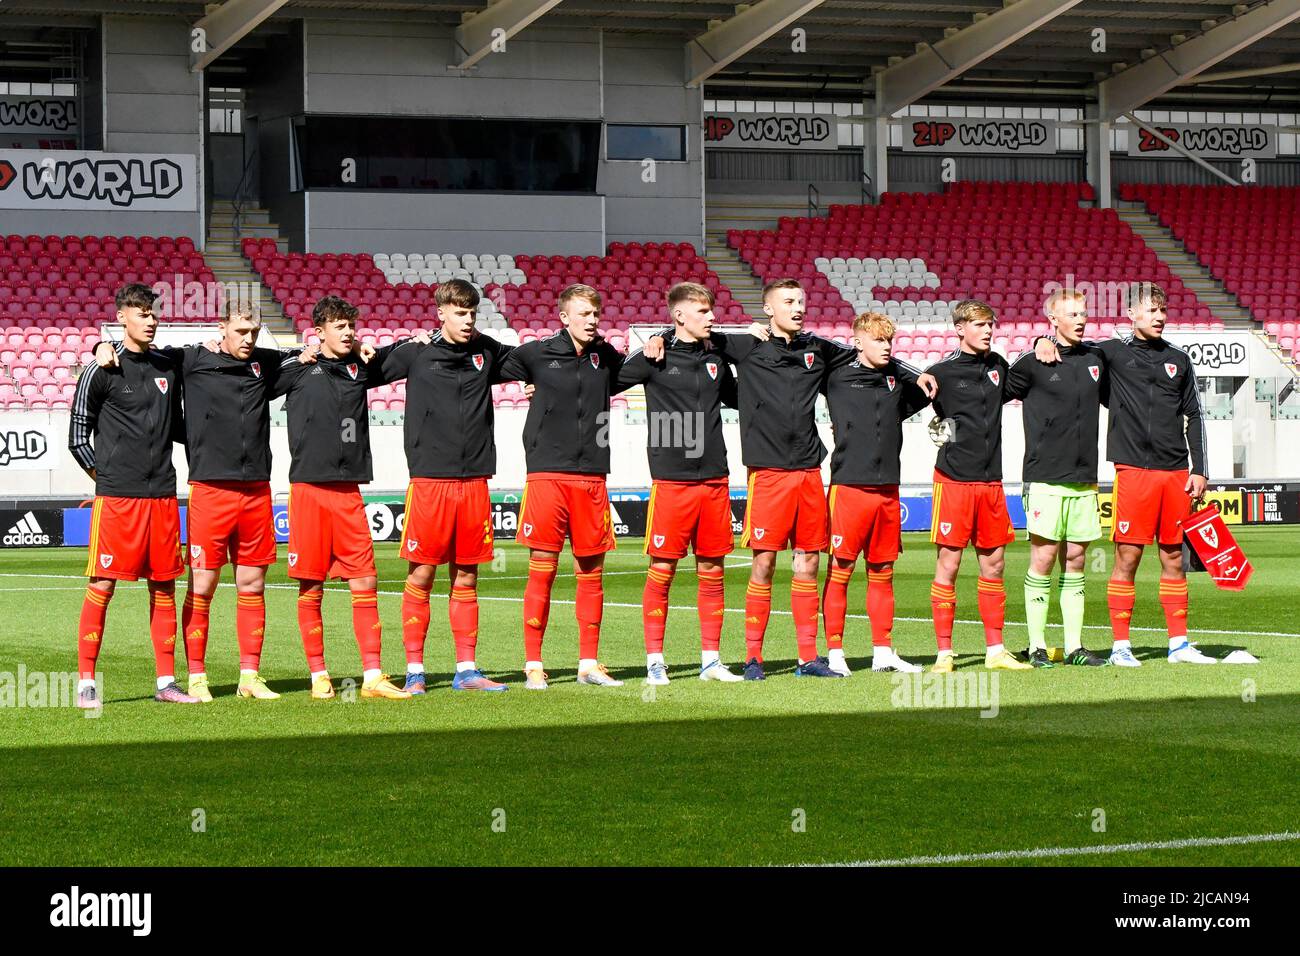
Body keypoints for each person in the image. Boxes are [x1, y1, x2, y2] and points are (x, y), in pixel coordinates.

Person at [1034, 282, 1211, 666]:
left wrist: (1200, 469)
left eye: (1162, 311)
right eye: (1150, 311)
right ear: (1131, 315)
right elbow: (1067, 342)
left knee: (1173, 559)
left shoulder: (1179, 359)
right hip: (1133, 471)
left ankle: (1178, 644)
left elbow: (1195, 415)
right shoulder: (1110, 352)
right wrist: (1041, 339)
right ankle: (1120, 646)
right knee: (1127, 557)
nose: (1159, 317)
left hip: (1176, 472)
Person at [693, 278, 856, 680]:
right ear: (768, 309)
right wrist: (658, 340)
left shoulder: (817, 348)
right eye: (788, 301)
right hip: (767, 472)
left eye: (801, 301)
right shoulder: (746, 345)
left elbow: (865, 356)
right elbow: (692, 330)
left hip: (808, 470)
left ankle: (807, 658)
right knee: (763, 562)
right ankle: (753, 658)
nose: (798, 307)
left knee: (809, 561)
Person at [495, 284, 640, 689]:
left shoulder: (605, 356)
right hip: (547, 475)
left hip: (593, 475)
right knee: (542, 571)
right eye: (584, 314)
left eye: (596, 313)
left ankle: (588, 663)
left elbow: (637, 371)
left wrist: (659, 346)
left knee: (591, 572)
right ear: (563, 317)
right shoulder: (535, 354)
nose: (592, 320)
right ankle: (533, 664)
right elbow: (486, 360)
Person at [275, 295, 413, 699]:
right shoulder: (299, 367)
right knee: (311, 584)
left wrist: (419, 336)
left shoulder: (360, 369)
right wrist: (296, 354)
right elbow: (253, 367)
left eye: (352, 326)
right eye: (340, 326)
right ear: (319, 332)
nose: (349, 332)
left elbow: (403, 355)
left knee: (364, 580)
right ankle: (319, 675)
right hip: (309, 490)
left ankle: (372, 676)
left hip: (349, 490)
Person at [381, 279, 513, 692]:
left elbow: (535, 361)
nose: (468, 320)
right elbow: (363, 369)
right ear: (440, 313)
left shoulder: (486, 350)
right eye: (459, 313)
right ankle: (415, 671)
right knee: (421, 575)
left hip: (475, 479)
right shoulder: (416, 352)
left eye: (472, 313)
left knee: (467, 577)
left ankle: (467, 670)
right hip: (430, 481)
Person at [69, 283, 196, 707]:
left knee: (164, 587)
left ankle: (166, 682)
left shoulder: (167, 366)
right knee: (103, 584)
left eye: (154, 312)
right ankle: (86, 681)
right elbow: (77, 437)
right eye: (142, 313)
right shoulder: (101, 369)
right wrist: (106, 478)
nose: (152, 319)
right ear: (122, 316)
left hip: (162, 494)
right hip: (118, 499)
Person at [616, 282, 743, 685]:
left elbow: (746, 396)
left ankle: (711, 661)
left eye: (711, 310)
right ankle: (655, 660)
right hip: (671, 481)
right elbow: (599, 379)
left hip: (715, 479)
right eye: (702, 311)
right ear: (679, 315)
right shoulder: (652, 357)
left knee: (713, 570)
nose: (711, 317)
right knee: (663, 570)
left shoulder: (717, 361)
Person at [919, 300, 1032, 672]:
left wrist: (1044, 340)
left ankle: (996, 650)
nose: (988, 330)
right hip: (953, 480)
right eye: (980, 324)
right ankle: (944, 653)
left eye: (991, 324)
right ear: (960, 328)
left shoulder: (998, 366)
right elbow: (898, 395)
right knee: (948, 564)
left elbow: (1032, 379)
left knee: (995, 564)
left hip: (991, 482)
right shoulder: (941, 372)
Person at [821, 312, 932, 675]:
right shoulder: (835, 376)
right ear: (858, 342)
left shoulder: (896, 380)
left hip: (888, 489)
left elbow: (926, 386)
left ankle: (882, 651)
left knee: (882, 572)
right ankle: (835, 653)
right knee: (841, 570)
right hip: (849, 486)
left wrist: (914, 373)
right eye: (878, 340)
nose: (886, 347)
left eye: (889, 341)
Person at [1006, 288, 1109, 667]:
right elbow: (995, 387)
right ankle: (1035, 645)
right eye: (1072, 314)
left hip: (1084, 479)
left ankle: (1074, 647)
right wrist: (1038, 342)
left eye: (1083, 313)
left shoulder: (1096, 358)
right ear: (1053, 320)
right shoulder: (1034, 361)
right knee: (1044, 557)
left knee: (1078, 560)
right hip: (1044, 477)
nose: (1081, 319)